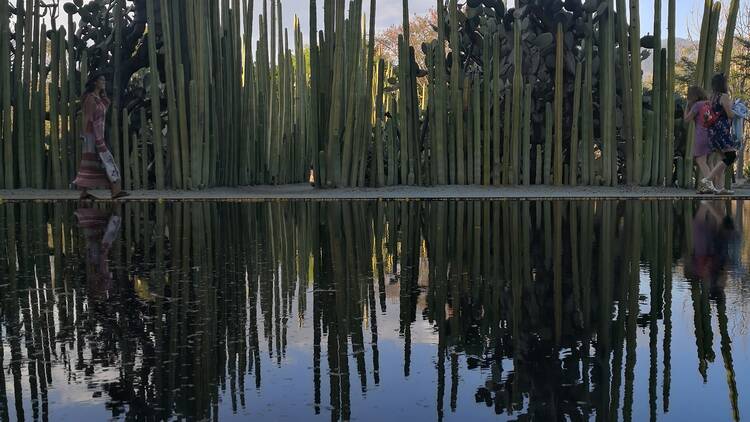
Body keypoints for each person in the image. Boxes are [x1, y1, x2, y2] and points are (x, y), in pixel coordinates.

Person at [73, 73, 129, 200]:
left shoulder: (100, 98)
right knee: (105, 160)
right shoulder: (90, 98)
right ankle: (115, 191)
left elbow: (102, 111)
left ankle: (85, 193)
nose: (104, 82)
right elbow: (87, 117)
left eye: (104, 80)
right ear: (95, 83)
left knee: (93, 162)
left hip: (100, 134)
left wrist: (103, 96)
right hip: (92, 135)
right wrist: (84, 134)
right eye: (101, 80)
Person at [703, 73, 738, 195]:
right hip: (722, 130)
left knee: (722, 159)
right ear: (723, 84)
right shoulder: (724, 96)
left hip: (712, 131)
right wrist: (738, 113)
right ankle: (707, 180)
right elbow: (730, 114)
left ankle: (720, 187)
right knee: (731, 156)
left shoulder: (711, 96)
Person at [684, 86, 715, 194]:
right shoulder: (709, 103)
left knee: (700, 160)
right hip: (712, 135)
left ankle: (709, 186)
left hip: (701, 135)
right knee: (709, 161)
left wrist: (687, 106)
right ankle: (712, 186)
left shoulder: (697, 105)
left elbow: (687, 119)